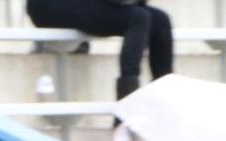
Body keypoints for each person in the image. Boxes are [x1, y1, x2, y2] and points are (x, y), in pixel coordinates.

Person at [25, 0, 173, 101]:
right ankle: (128, 103)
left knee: (160, 20)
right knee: (138, 17)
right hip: (49, 6)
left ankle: (163, 97)